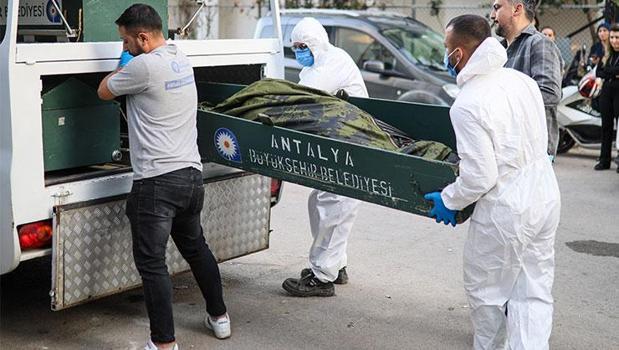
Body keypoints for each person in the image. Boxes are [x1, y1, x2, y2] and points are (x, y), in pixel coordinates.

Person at [424, 14, 561, 350]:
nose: (445, 56)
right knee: (533, 292)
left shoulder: (467, 104)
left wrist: (450, 199)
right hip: (544, 197)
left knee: (486, 294)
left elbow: (480, 176)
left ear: (459, 54)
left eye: (446, 48)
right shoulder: (521, 81)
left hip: (506, 211)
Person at [97, 4, 230, 349]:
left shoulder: (142, 66)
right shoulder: (178, 56)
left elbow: (103, 91)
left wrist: (121, 63)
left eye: (126, 41)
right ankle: (219, 318)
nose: (124, 47)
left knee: (153, 264)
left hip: (156, 182)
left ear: (142, 37)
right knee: (197, 248)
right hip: (190, 176)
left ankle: (163, 344)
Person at [281, 17, 369, 297]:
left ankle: (322, 278)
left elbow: (304, 98)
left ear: (315, 45)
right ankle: (335, 265)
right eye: (295, 47)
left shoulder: (333, 63)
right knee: (322, 202)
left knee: (335, 206)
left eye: (302, 46)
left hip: (352, 143)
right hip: (338, 143)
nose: (298, 52)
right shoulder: (316, 66)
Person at [491, 0, 563, 158]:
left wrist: (499, 102)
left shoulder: (540, 44)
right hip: (506, 149)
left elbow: (549, 95)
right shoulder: (499, 50)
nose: (492, 15)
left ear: (517, 9)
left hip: (532, 153)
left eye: (497, 8)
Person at [593, 23, 619, 171]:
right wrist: (613, 73)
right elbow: (599, 72)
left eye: (618, 37)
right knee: (606, 127)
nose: (615, 40)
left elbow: (606, 71)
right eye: (613, 37)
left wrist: (608, 72)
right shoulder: (607, 54)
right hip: (607, 92)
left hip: (618, 93)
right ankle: (604, 160)